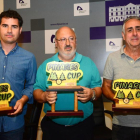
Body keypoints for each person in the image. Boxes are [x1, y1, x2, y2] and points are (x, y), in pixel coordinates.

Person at [33, 26, 102, 140]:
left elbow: (98, 88)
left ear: (76, 41)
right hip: (53, 129)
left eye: (71, 38)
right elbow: (37, 91)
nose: (68, 43)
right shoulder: (46, 65)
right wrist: (44, 96)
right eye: (63, 39)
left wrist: (92, 94)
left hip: (83, 128)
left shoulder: (88, 63)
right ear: (56, 43)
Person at [0, 10, 37, 140]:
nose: (9, 30)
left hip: (14, 124)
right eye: (5, 25)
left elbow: (32, 85)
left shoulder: (29, 58)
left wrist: (22, 100)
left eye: (14, 26)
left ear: (20, 30)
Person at [102, 16, 140, 140]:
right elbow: (106, 87)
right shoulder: (112, 58)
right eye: (130, 30)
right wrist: (117, 100)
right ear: (123, 35)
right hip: (121, 126)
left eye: (138, 29)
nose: (134, 33)